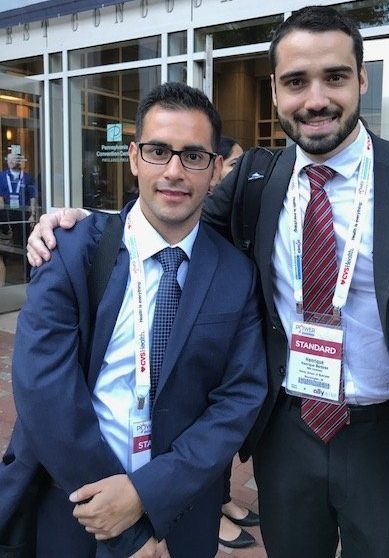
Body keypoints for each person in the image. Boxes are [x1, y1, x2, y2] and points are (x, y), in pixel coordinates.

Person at [26, 6, 389, 558]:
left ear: (362, 79)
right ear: (275, 90)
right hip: (287, 433)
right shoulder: (253, 180)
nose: (315, 99)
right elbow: (171, 210)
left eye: (335, 76)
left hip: (388, 433)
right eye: (296, 81)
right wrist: (79, 224)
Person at [0, 82, 267, 558]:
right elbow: (43, 391)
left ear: (216, 170)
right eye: (158, 151)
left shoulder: (236, 274)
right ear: (134, 158)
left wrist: (147, 494)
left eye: (193, 156)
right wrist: (123, 525)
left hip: (179, 514)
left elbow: (239, 399)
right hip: (73, 507)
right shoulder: (71, 249)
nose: (173, 171)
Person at [215, 136, 260, 550]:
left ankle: (223, 498)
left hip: (242, 331)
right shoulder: (198, 214)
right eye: (234, 165)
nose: (243, 173)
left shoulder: (244, 207)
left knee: (231, 424)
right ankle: (208, 511)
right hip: (213, 335)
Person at [0, 152, 37, 245]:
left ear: (19, 161)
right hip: (8, 214)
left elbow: (32, 197)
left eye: (13, 159)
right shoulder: (2, 176)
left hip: (23, 214)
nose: (11, 161)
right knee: (9, 239)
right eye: (9, 159)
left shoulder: (27, 178)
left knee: (23, 240)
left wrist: (33, 215)